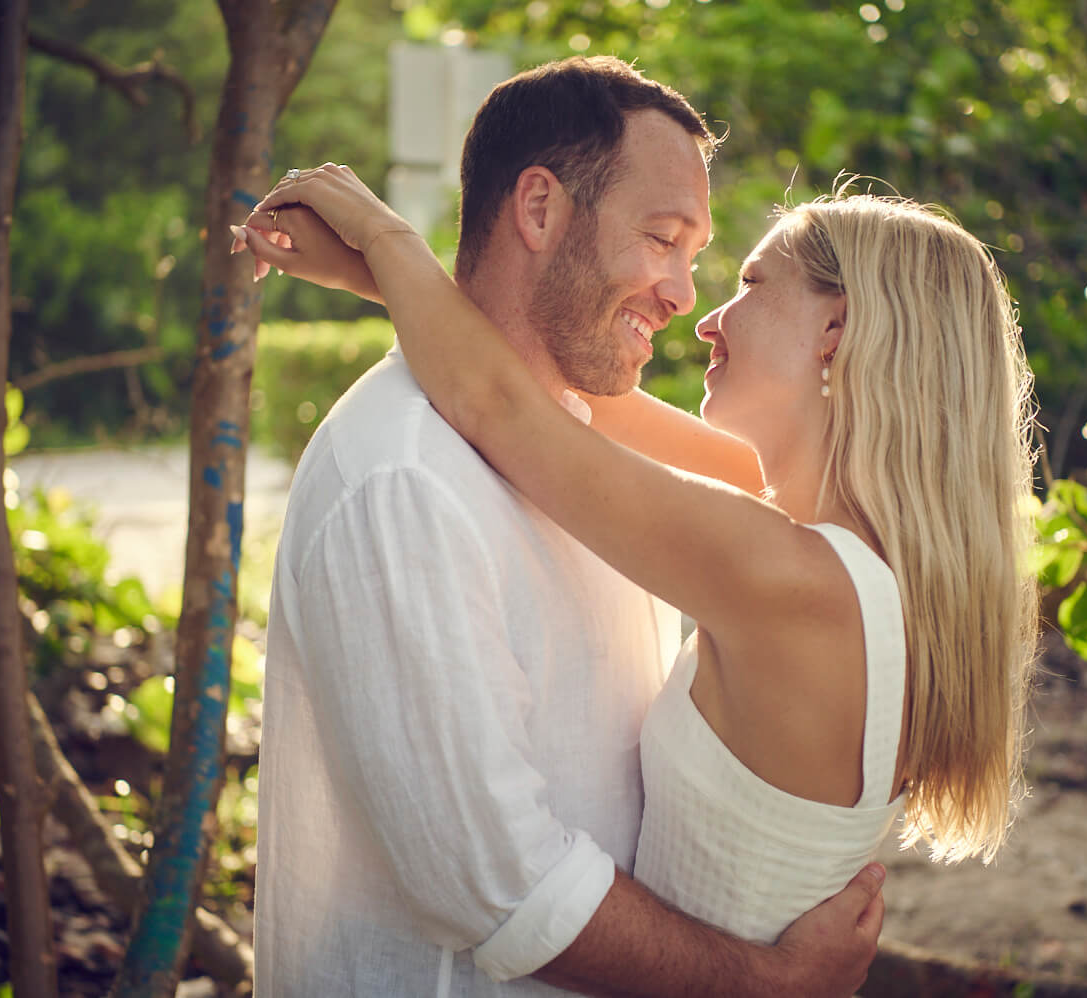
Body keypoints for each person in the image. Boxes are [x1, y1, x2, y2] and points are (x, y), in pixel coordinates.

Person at [244, 159, 1039, 956]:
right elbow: (563, 388)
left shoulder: (788, 576)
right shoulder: (853, 572)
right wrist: (387, 284)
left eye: (753, 285)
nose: (706, 318)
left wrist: (385, 237)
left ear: (836, 332)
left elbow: (499, 405)